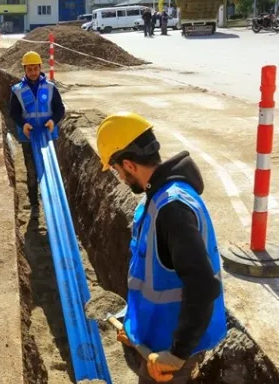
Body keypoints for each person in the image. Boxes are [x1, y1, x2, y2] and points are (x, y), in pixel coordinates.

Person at [95, 112, 227, 383]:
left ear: (129, 164)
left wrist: (177, 354)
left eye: (117, 170)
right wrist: (136, 329)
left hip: (172, 348)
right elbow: (155, 278)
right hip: (159, 338)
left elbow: (203, 285)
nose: (119, 177)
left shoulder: (172, 209)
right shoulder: (156, 201)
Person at [9, 51, 65, 205]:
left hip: (48, 136)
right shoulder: (17, 90)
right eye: (29, 69)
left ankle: (51, 200)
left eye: (35, 68)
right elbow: (13, 112)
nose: (33, 72)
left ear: (40, 67)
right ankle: (34, 202)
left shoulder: (50, 87)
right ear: (25, 70)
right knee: (32, 170)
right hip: (28, 136)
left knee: (50, 169)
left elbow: (60, 109)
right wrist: (23, 124)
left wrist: (53, 121)